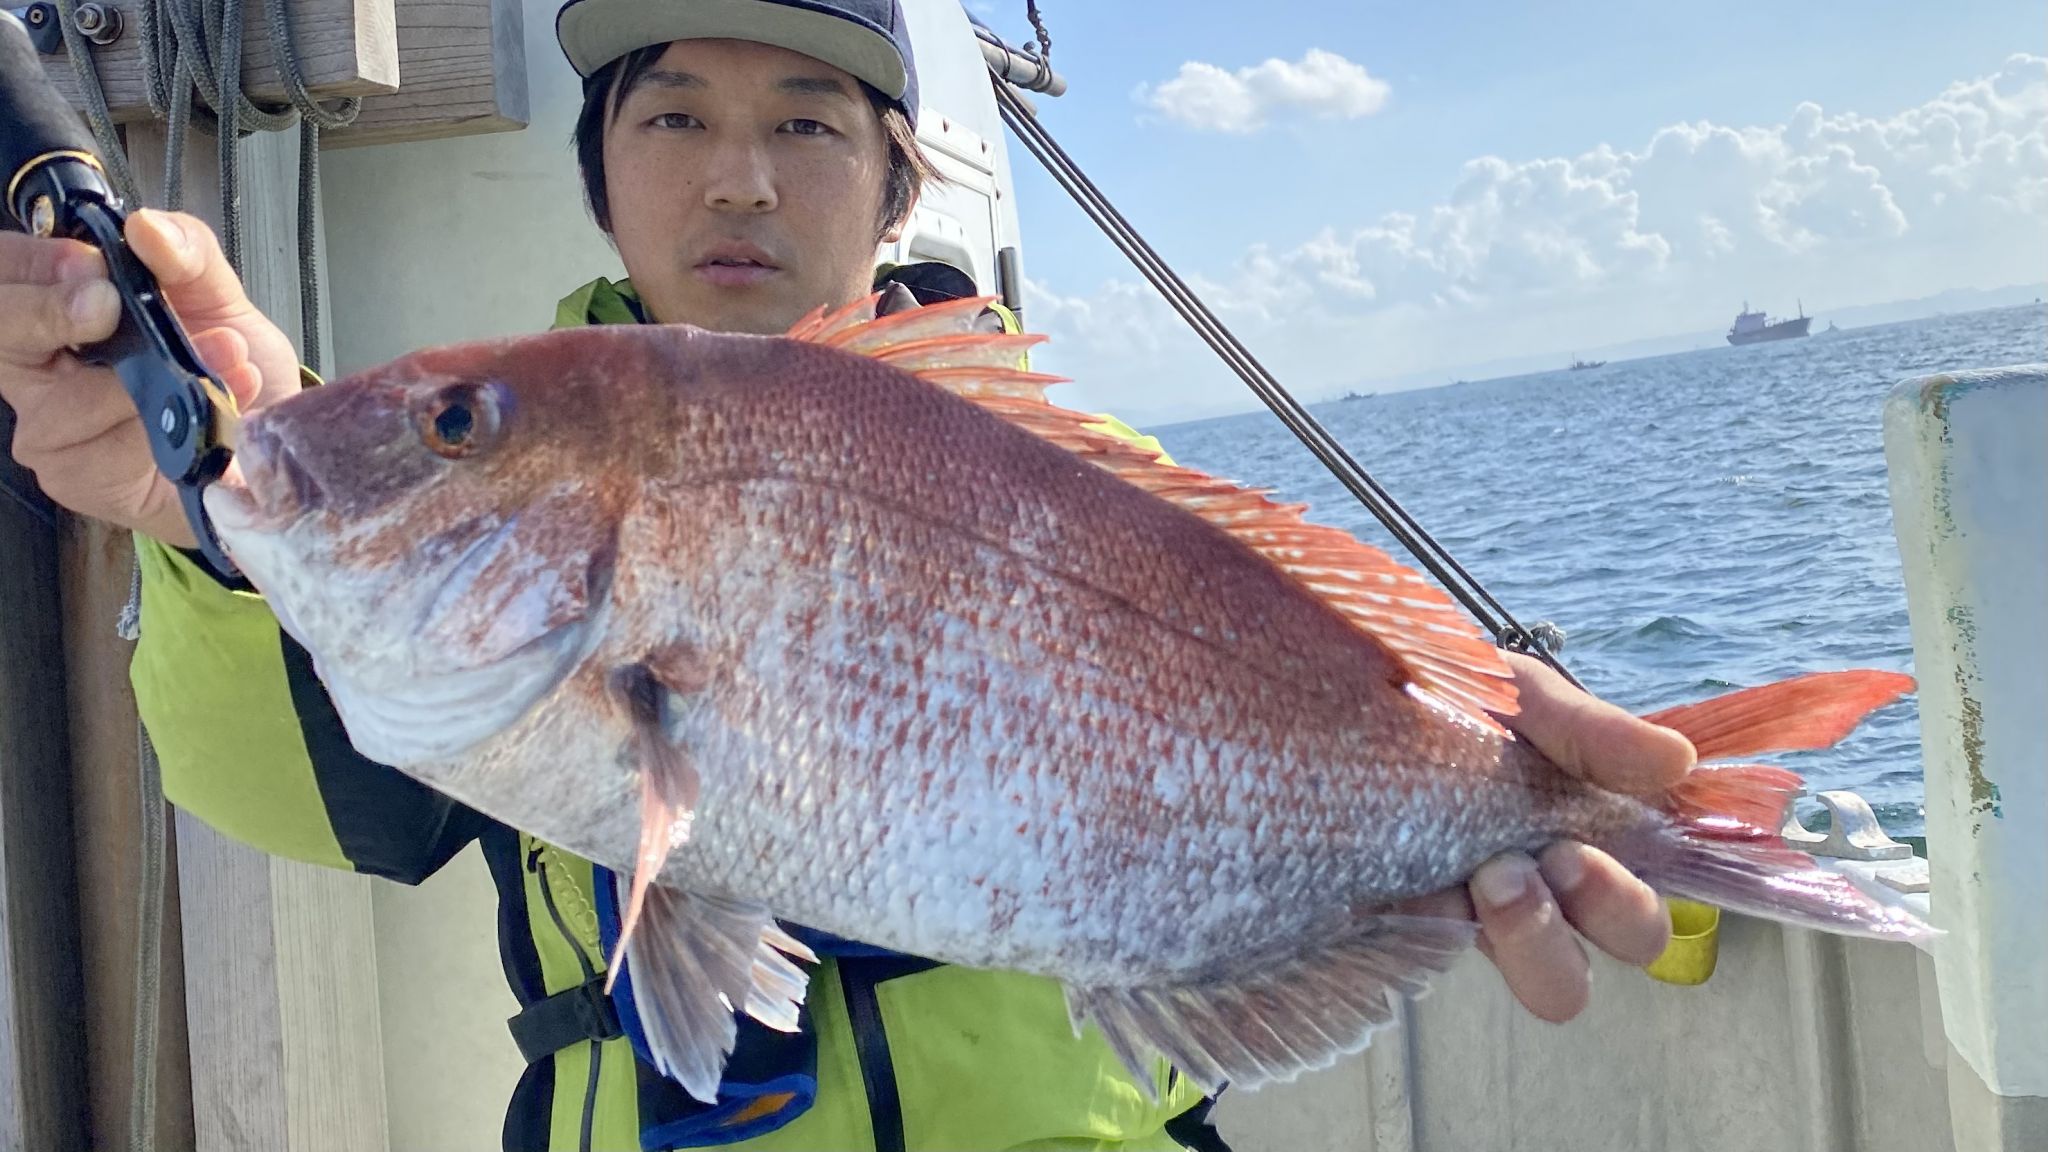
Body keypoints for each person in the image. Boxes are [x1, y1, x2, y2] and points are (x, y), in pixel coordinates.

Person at [0, 1, 1697, 1148]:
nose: (737, 174)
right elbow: (319, 800)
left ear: (895, 172)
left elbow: (1362, 689)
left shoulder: (1110, 497)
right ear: (599, 171)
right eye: (672, 113)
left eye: (806, 121)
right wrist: (210, 547)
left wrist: (1529, 782)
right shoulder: (501, 531)